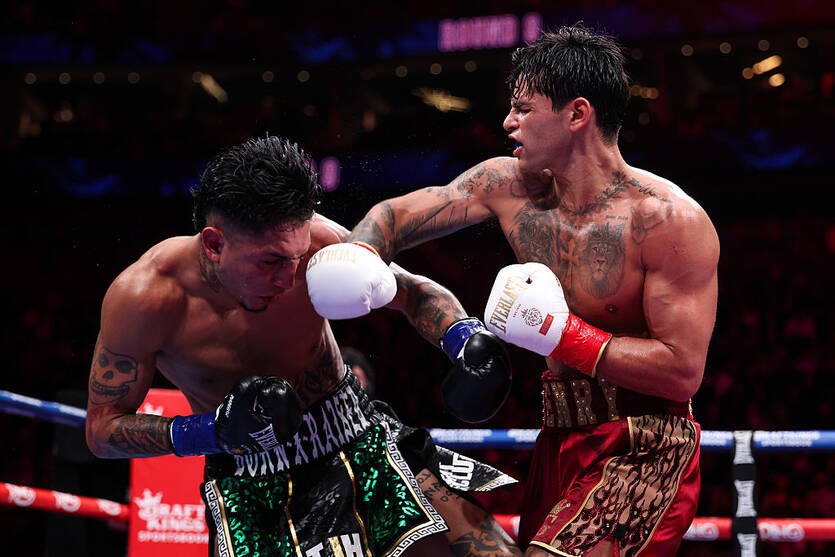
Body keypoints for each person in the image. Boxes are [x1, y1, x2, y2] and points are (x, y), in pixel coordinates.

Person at [307, 24, 720, 557]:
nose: (508, 122)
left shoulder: (668, 220)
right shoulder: (508, 185)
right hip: (557, 436)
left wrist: (559, 334)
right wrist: (361, 252)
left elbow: (682, 371)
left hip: (645, 442)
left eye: (523, 109)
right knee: (415, 497)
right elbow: (396, 215)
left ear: (577, 114)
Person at [84, 135, 522, 557]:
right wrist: (212, 431)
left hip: (356, 435)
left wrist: (466, 339)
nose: (290, 277)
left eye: (296, 257)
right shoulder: (145, 298)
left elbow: (412, 291)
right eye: (271, 261)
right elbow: (102, 431)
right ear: (215, 244)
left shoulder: (320, 242)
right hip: (252, 482)